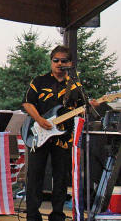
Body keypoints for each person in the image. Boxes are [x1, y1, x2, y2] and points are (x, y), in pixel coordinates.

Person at [22, 45, 98, 221]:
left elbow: (81, 109)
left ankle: (57, 214)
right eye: (56, 60)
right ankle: (33, 215)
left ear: (69, 63)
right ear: (51, 62)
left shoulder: (75, 85)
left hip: (64, 137)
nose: (59, 63)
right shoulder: (39, 81)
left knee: (61, 177)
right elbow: (27, 103)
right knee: (35, 175)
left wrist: (89, 107)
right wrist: (40, 120)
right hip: (39, 133)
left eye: (64, 61)